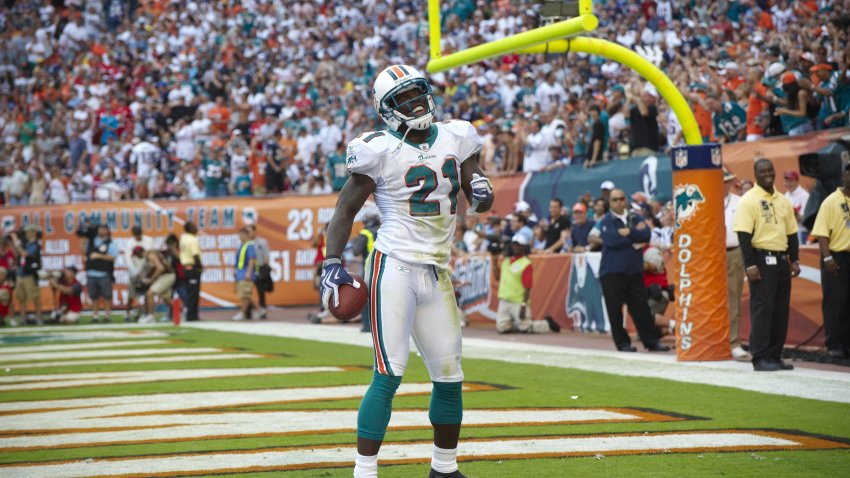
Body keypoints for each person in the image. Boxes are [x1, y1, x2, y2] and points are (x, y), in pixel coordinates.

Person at [319, 65, 494, 478]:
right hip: (393, 266)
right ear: (387, 110)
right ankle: (364, 472)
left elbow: (477, 193)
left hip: (437, 270)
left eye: (418, 93)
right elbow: (346, 209)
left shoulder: (458, 136)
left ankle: (444, 469)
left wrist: (483, 195)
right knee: (389, 372)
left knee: (450, 375)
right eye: (404, 98)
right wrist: (331, 262)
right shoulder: (378, 149)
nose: (416, 103)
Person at [734, 158, 800, 372]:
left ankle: (774, 355)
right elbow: (744, 234)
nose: (768, 174)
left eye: (770, 170)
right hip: (761, 258)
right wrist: (749, 264)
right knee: (763, 309)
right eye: (763, 171)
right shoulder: (748, 199)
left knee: (780, 310)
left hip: (782, 260)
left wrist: (795, 258)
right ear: (755, 174)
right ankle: (760, 357)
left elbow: (792, 232)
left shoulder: (782, 200)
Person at [597, 189, 670, 353]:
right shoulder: (606, 220)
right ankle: (622, 343)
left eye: (621, 199)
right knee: (615, 311)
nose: (619, 202)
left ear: (625, 200)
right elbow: (610, 240)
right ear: (610, 202)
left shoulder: (635, 217)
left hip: (634, 272)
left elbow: (646, 235)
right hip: (612, 273)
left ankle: (651, 341)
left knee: (641, 308)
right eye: (615, 199)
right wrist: (632, 240)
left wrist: (629, 232)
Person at [810, 162, 850, 358]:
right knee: (836, 301)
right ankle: (834, 343)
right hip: (836, 256)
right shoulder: (831, 201)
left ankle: (848, 343)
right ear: (844, 175)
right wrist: (827, 257)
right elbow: (821, 233)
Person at [492, 234, 559, 334]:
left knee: (525, 327)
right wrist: (494, 261)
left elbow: (527, 286)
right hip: (504, 300)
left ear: (523, 247)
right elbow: (498, 278)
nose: (515, 247)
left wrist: (523, 305)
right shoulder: (506, 260)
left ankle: (546, 324)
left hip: (518, 301)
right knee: (502, 328)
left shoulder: (526, 263)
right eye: (514, 244)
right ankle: (514, 323)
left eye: (518, 245)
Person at [723, 169, 748, 360]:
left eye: (725, 181)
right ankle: (716, 340)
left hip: (733, 251)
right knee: (711, 298)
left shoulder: (740, 202)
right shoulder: (706, 200)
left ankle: (734, 342)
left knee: (733, 297)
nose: (722, 184)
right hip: (711, 255)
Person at [85, 225, 118, 324]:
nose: (102, 231)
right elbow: (84, 252)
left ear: (107, 231)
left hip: (104, 273)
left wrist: (98, 255)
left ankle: (107, 315)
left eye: (104, 229)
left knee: (107, 295)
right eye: (100, 229)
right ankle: (95, 316)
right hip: (91, 272)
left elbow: (113, 257)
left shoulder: (110, 242)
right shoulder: (91, 240)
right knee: (93, 296)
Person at [12, 225, 42, 325]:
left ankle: (38, 317)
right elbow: (18, 254)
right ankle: (23, 318)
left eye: (28, 232)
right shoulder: (24, 242)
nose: (26, 234)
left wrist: (16, 241)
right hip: (20, 272)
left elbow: (25, 254)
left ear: (33, 232)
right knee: (21, 297)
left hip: (29, 273)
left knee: (35, 297)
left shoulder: (35, 244)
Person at [124, 225, 153, 322]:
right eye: (136, 235)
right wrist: (135, 273)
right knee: (131, 295)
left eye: (139, 235)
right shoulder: (130, 243)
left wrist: (145, 273)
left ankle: (146, 313)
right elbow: (128, 260)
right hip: (134, 273)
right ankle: (127, 314)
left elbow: (151, 257)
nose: (138, 237)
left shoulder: (149, 240)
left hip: (146, 272)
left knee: (146, 294)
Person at [139, 248, 176, 324]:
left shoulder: (150, 255)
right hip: (167, 275)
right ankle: (181, 312)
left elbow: (160, 268)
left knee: (150, 294)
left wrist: (151, 280)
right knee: (167, 300)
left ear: (142, 252)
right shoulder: (151, 255)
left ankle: (150, 316)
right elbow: (155, 268)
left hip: (167, 276)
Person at [180, 221, 203, 321]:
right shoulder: (192, 239)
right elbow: (195, 255)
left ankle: (189, 314)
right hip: (192, 268)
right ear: (189, 228)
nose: (196, 228)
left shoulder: (183, 238)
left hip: (185, 268)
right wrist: (200, 266)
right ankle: (192, 316)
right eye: (194, 226)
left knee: (189, 292)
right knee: (194, 293)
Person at [233, 227, 257, 321]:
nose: (240, 237)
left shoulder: (249, 246)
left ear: (246, 235)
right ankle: (258, 310)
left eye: (241, 235)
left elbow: (251, 260)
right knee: (244, 294)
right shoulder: (242, 246)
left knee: (245, 295)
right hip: (240, 273)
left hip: (245, 273)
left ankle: (243, 312)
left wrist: (248, 272)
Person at [248, 224, 271, 320]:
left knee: (260, 291)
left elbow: (266, 257)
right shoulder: (246, 243)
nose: (248, 233)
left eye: (249, 231)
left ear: (254, 231)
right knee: (247, 291)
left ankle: (263, 310)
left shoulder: (262, 242)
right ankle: (248, 311)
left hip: (259, 269)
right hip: (249, 269)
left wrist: (264, 270)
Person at [783, 170, 810, 242]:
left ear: (797, 181)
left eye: (790, 181)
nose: (788, 184)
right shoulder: (785, 196)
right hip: (787, 233)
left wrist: (793, 212)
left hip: (801, 232)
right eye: (786, 181)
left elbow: (805, 219)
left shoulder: (805, 196)